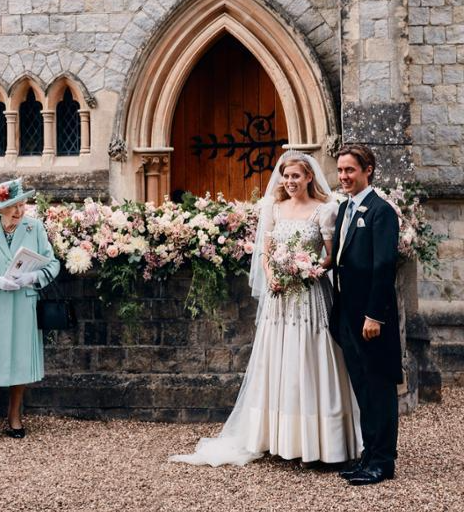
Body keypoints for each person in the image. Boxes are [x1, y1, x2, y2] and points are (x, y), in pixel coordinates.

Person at [170, 151, 361, 466]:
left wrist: (309, 269)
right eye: (286, 176)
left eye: (296, 176)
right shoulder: (274, 207)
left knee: (310, 359)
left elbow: (331, 256)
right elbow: (265, 253)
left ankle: (321, 442)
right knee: (280, 359)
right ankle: (278, 437)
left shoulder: (325, 211)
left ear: (309, 177)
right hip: (280, 298)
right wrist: (274, 275)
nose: (289, 182)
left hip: (310, 295)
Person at [0, 178, 60, 445]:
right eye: (13, 206)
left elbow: (52, 265)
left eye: (22, 204)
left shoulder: (34, 227)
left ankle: (14, 415)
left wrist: (32, 278)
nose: (19, 211)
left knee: (19, 358)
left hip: (22, 302)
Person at [330, 144, 401, 485]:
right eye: (341, 170)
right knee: (362, 388)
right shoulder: (345, 209)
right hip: (347, 315)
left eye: (350, 170)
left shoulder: (381, 211)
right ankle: (367, 456)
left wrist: (374, 315)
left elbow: (384, 266)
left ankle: (383, 462)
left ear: (367, 170)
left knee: (379, 388)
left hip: (372, 320)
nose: (343, 176)